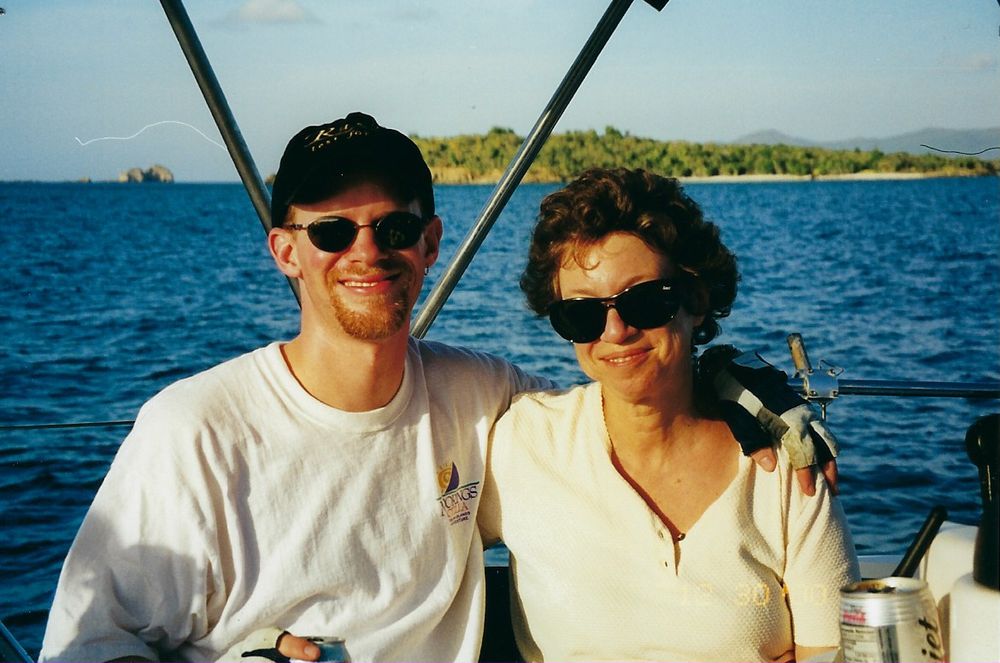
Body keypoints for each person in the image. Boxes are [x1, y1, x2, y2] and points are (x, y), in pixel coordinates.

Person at [39, 114, 837, 663]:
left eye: (393, 228)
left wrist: (740, 387)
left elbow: (628, 392)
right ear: (285, 251)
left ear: (429, 243)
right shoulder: (192, 430)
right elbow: (84, 645)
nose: (366, 252)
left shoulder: (481, 399)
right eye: (331, 231)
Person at [477, 167, 860, 662]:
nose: (615, 331)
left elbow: (831, 649)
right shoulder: (525, 446)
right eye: (581, 313)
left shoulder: (784, 467)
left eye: (645, 301)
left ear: (695, 301)